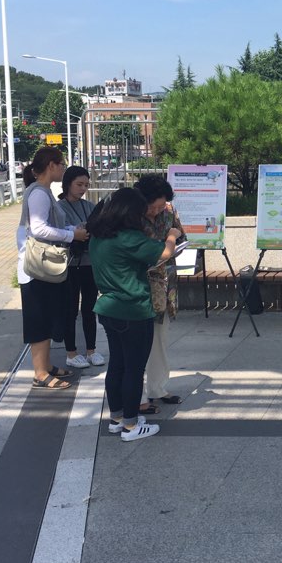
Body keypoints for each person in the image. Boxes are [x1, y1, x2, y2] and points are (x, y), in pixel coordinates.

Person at [88, 188, 182, 442]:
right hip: (134, 310)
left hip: (108, 308)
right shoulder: (129, 237)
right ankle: (131, 426)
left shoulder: (99, 236)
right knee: (133, 369)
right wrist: (172, 236)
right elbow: (164, 254)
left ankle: (117, 418)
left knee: (117, 366)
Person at [17, 147, 89, 390]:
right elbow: (38, 229)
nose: (63, 170)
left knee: (46, 317)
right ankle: (40, 372)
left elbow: (49, 225)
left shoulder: (44, 191)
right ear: (51, 166)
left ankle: (46, 365)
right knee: (38, 319)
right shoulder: (38, 193)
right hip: (37, 267)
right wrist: (71, 235)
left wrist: (72, 229)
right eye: (62, 165)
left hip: (45, 265)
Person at [134, 175, 186, 414]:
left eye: (160, 206)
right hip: (140, 285)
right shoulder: (130, 215)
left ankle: (157, 388)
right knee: (139, 343)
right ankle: (139, 394)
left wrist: (174, 240)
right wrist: (168, 240)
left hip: (165, 285)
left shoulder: (169, 210)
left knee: (160, 339)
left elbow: (180, 235)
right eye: (153, 206)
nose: (156, 211)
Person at [57, 166, 104, 369]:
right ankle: (71, 352)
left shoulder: (90, 206)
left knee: (89, 307)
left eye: (86, 184)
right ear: (68, 184)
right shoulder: (59, 207)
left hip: (89, 262)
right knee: (69, 308)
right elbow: (60, 233)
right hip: (69, 263)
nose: (83, 188)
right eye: (79, 184)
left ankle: (92, 350)